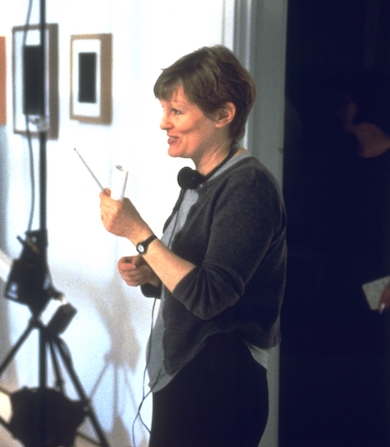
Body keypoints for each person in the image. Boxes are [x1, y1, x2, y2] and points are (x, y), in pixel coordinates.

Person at [99, 45, 286, 447]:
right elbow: (192, 274)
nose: (163, 123)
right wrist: (151, 271)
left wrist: (139, 233)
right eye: (164, 110)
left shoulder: (247, 187)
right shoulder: (204, 180)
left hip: (220, 385)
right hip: (191, 377)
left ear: (223, 114)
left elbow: (209, 296)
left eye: (176, 111)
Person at [281, 72, 390, 446]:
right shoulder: (337, 161)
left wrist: (377, 296)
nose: (340, 108)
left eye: (345, 101)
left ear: (357, 108)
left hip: (374, 305)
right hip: (326, 296)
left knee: (361, 400)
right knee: (320, 399)